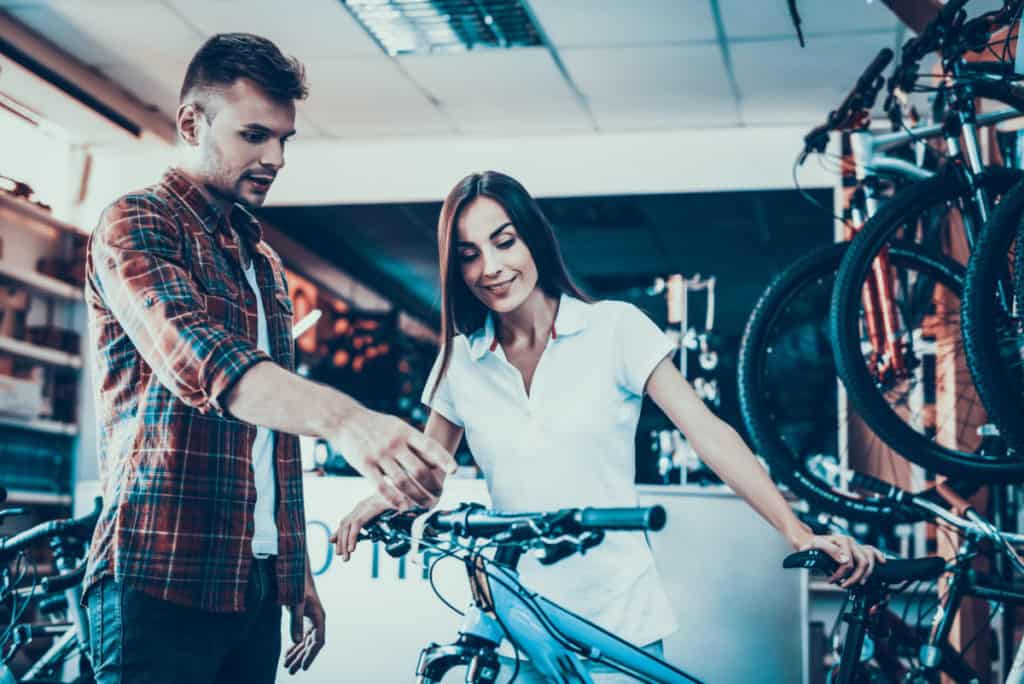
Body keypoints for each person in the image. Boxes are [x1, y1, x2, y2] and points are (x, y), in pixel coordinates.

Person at [332, 170, 885, 681]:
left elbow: (707, 433)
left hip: (619, 621)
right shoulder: (461, 361)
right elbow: (428, 471)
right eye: (470, 254)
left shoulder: (613, 329)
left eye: (505, 242)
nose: (491, 269)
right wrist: (378, 499)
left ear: (534, 240)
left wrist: (798, 530)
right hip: (513, 623)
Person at [83, 33, 454, 684]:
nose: (275, 157)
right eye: (254, 135)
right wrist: (349, 422)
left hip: (253, 587)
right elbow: (204, 363)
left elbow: (272, 444)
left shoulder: (265, 265)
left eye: (285, 139)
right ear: (192, 122)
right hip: (159, 576)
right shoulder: (136, 224)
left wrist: (295, 569)